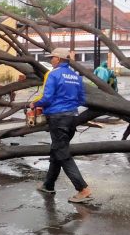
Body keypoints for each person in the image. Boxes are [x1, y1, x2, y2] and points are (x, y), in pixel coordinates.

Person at [31, 48, 93, 203]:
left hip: (58, 119)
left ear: (58, 59)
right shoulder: (76, 77)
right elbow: (81, 99)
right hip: (72, 118)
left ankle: (82, 189)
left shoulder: (53, 74)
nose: (51, 60)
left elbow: (47, 98)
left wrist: (35, 103)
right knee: (57, 150)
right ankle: (48, 185)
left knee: (63, 154)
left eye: (52, 58)